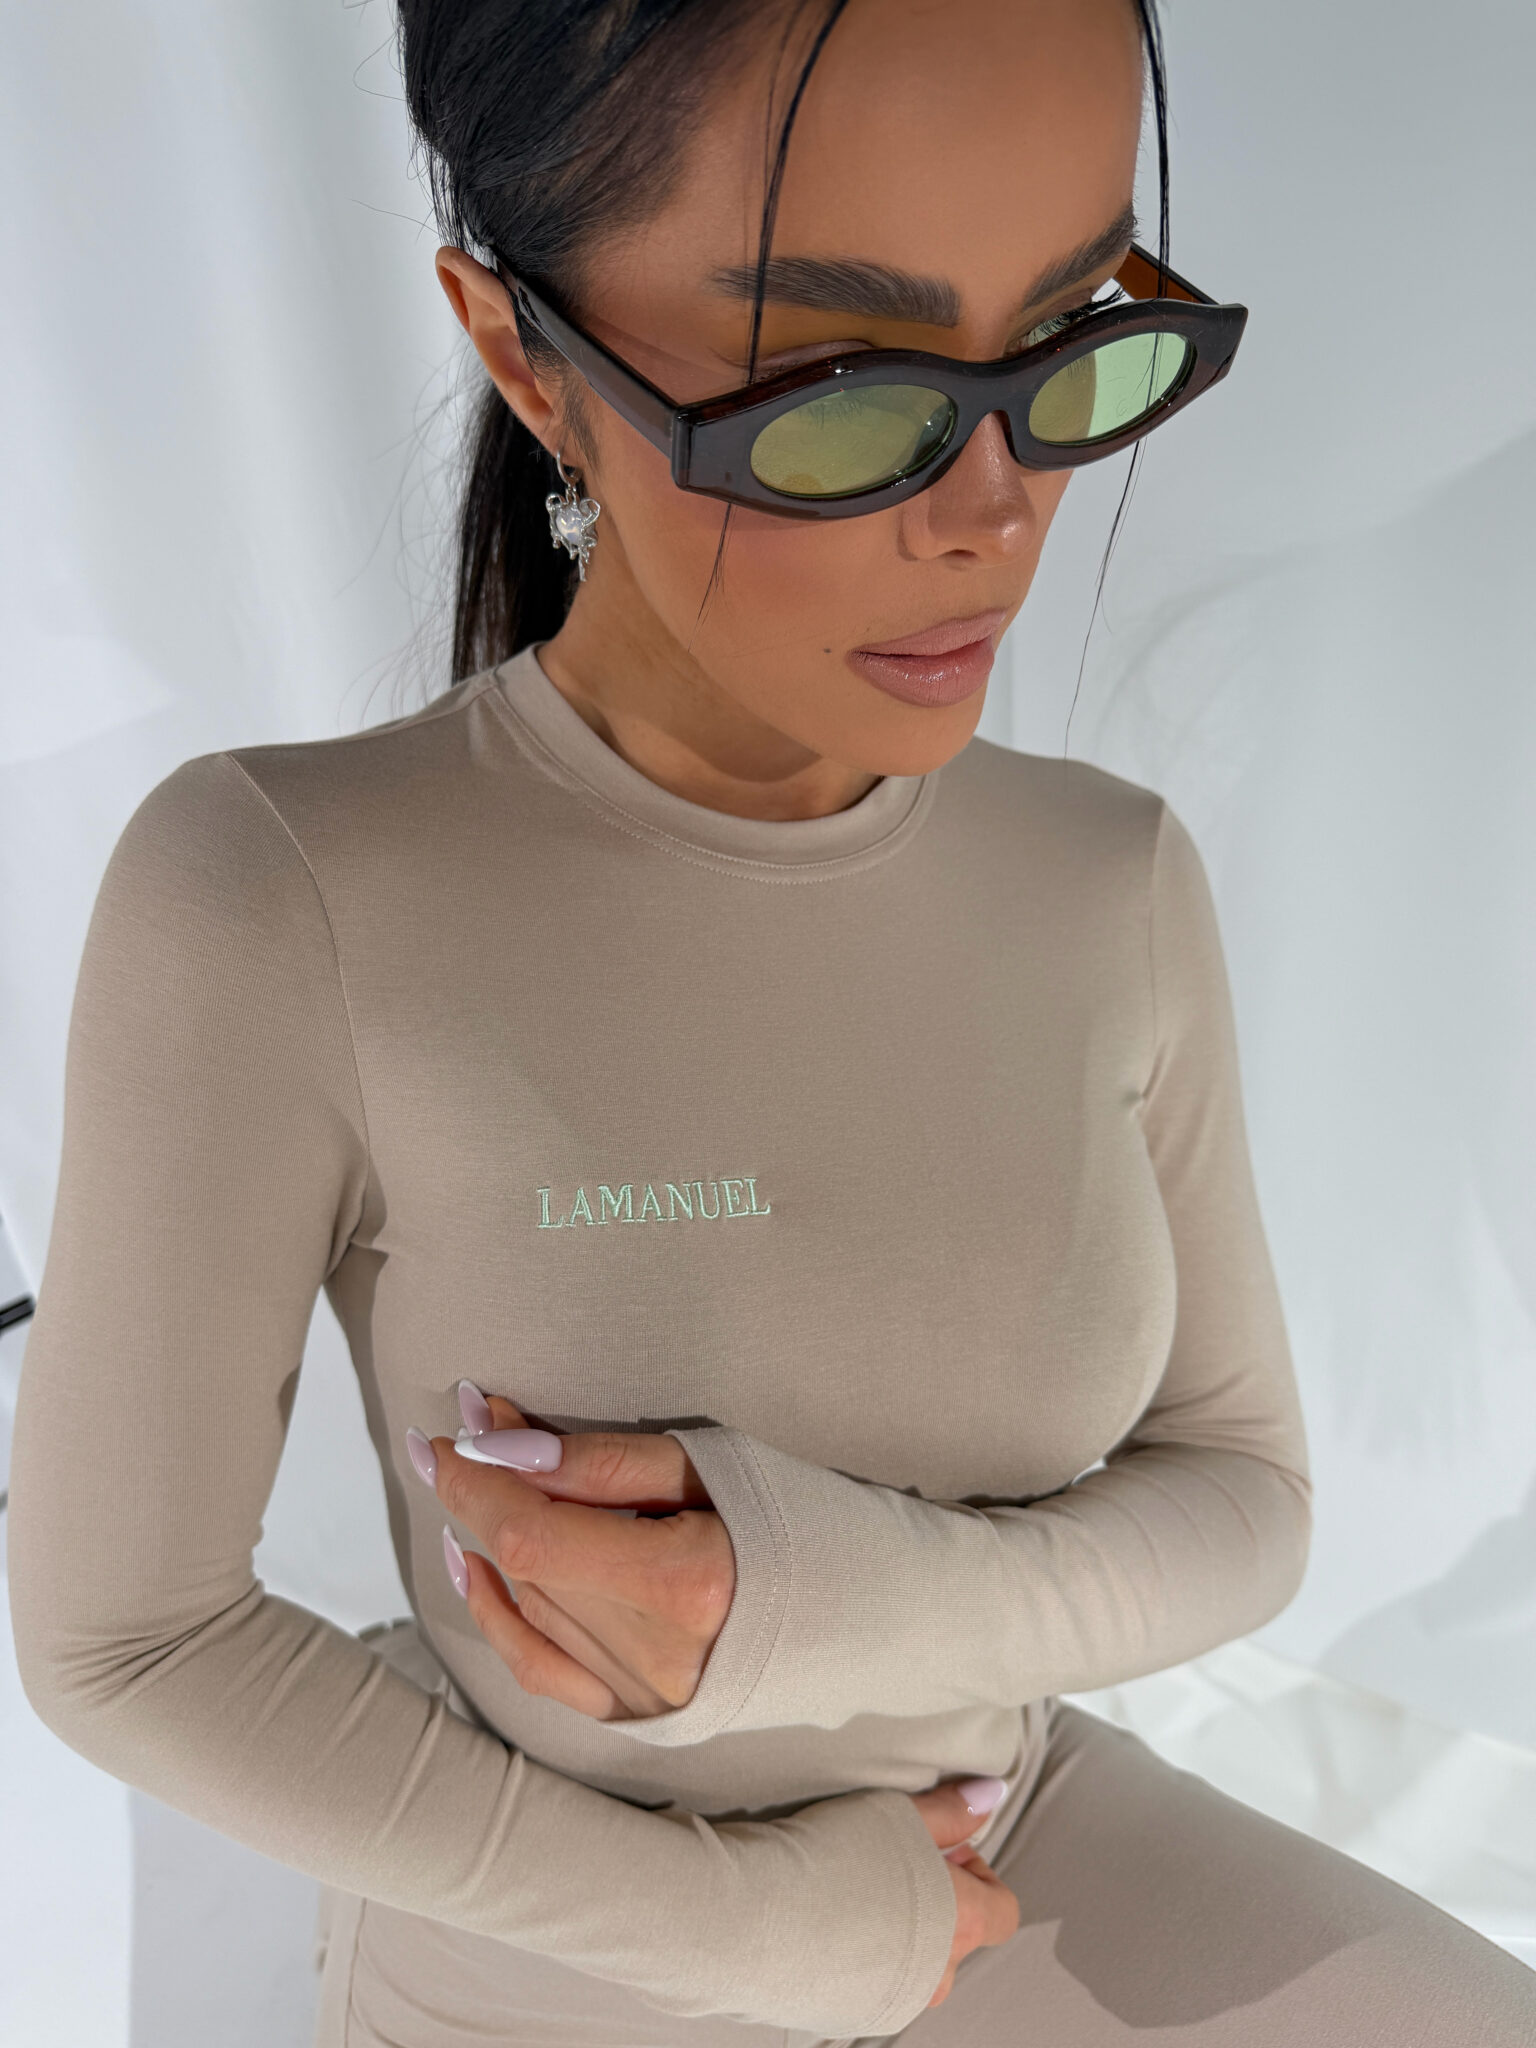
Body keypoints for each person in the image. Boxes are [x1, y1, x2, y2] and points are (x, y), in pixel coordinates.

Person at [9, 0, 1535, 2042]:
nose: (994, 511)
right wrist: (780, 1935)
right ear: (522, 354)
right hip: (550, 1933)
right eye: (841, 393)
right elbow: (125, 1642)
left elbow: (1243, 1492)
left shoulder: (1110, 879)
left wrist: (804, 1597)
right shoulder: (277, 889)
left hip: (1002, 1840)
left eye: (1074, 337)